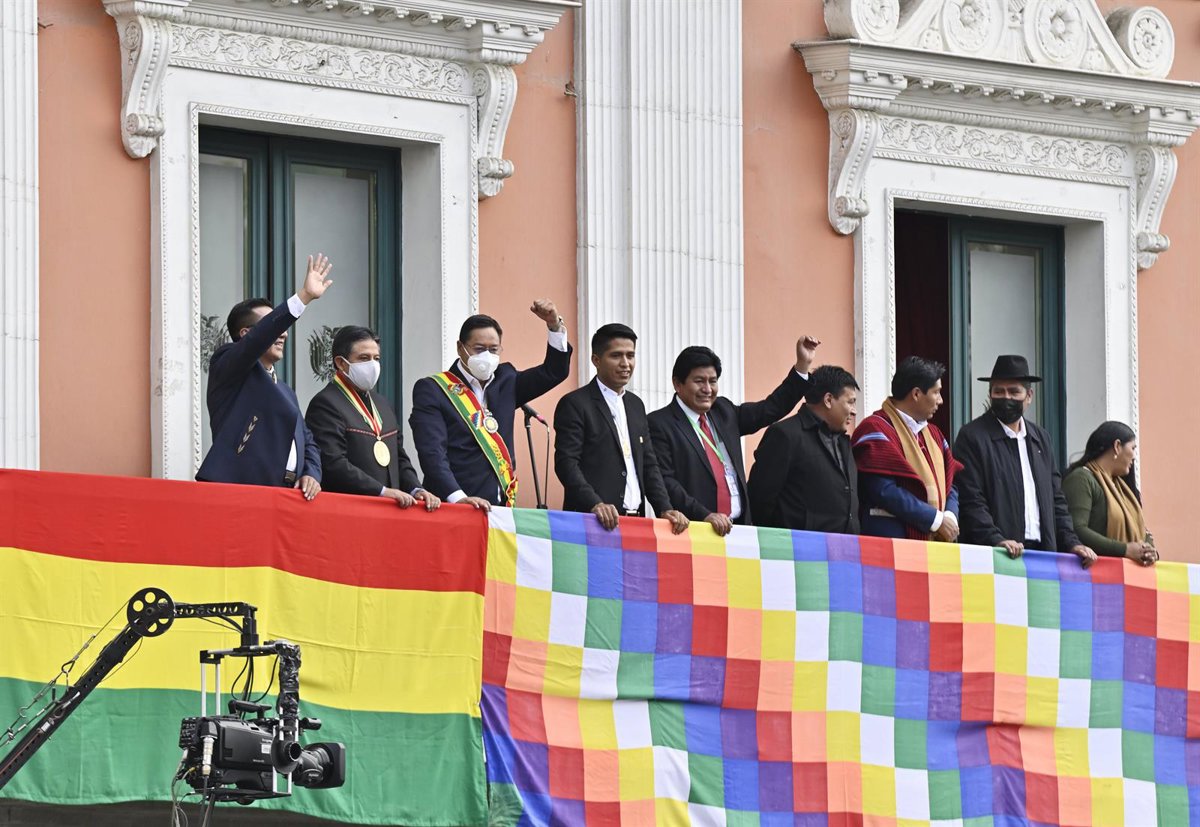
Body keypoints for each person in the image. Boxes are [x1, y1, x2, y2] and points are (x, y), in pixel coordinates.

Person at [647, 337, 820, 535]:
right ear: (678, 384)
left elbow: (769, 409)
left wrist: (802, 366)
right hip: (695, 531)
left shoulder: (723, 411)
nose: (707, 389)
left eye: (713, 381)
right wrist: (704, 515)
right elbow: (666, 481)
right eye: (699, 381)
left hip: (738, 530)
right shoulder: (660, 423)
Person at [409, 301, 572, 510]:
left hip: (500, 508)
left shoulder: (507, 380)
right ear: (460, 348)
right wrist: (458, 498)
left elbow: (554, 371)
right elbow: (433, 453)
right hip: (453, 505)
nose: (486, 355)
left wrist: (554, 326)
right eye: (478, 349)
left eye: (493, 349)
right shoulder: (434, 389)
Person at [196, 254, 332, 499]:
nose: (284, 334)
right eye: (275, 327)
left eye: (284, 329)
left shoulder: (285, 391)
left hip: (290, 496)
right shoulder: (227, 365)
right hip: (241, 493)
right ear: (245, 334)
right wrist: (303, 297)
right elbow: (258, 338)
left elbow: (307, 440)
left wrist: (311, 473)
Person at [953, 354, 1096, 567]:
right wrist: (995, 539)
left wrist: (1071, 543)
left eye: (1014, 392)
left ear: (1029, 396)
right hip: (997, 556)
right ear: (990, 394)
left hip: (1042, 554)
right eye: (998, 391)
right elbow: (971, 499)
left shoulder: (1041, 438)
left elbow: (1056, 499)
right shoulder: (973, 437)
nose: (1006, 398)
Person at [553, 323, 689, 534]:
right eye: (616, 356)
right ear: (596, 360)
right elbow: (566, 463)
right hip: (593, 522)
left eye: (630, 355)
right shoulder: (575, 404)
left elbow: (649, 464)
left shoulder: (636, 405)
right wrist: (595, 504)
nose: (626, 363)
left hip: (635, 523)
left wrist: (665, 508)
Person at [305, 325, 440, 511]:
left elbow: (400, 457)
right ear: (341, 363)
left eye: (376, 358)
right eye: (363, 358)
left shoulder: (382, 403)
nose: (372, 365)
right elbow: (333, 463)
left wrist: (416, 488)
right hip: (352, 510)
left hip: (392, 510)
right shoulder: (325, 403)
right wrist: (381, 491)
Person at [852, 356, 963, 541]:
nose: (941, 400)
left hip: (935, 546)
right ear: (916, 394)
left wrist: (949, 516)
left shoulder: (934, 434)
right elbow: (883, 490)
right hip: (891, 543)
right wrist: (936, 520)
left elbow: (950, 483)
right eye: (936, 392)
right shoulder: (875, 429)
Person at [747, 365, 860, 533]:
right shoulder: (785, 435)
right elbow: (759, 499)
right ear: (828, 400)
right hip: (796, 546)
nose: (854, 411)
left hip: (845, 546)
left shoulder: (843, 441)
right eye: (850, 402)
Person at [1062, 421, 1158, 566]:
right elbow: (1076, 529)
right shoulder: (1082, 479)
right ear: (1117, 446)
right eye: (1132, 448)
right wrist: (1124, 550)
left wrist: (1149, 551)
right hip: (1092, 574)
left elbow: (1142, 530)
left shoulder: (1123, 488)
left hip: (1128, 575)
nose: (1134, 456)